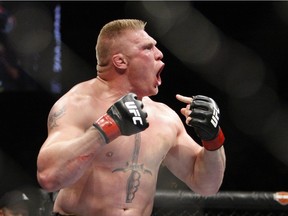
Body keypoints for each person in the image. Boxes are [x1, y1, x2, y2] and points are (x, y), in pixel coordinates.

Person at [36, 19, 226, 216]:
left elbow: (207, 185)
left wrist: (213, 138)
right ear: (120, 61)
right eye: (148, 48)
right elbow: (48, 177)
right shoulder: (79, 104)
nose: (159, 54)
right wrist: (104, 130)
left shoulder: (165, 117)